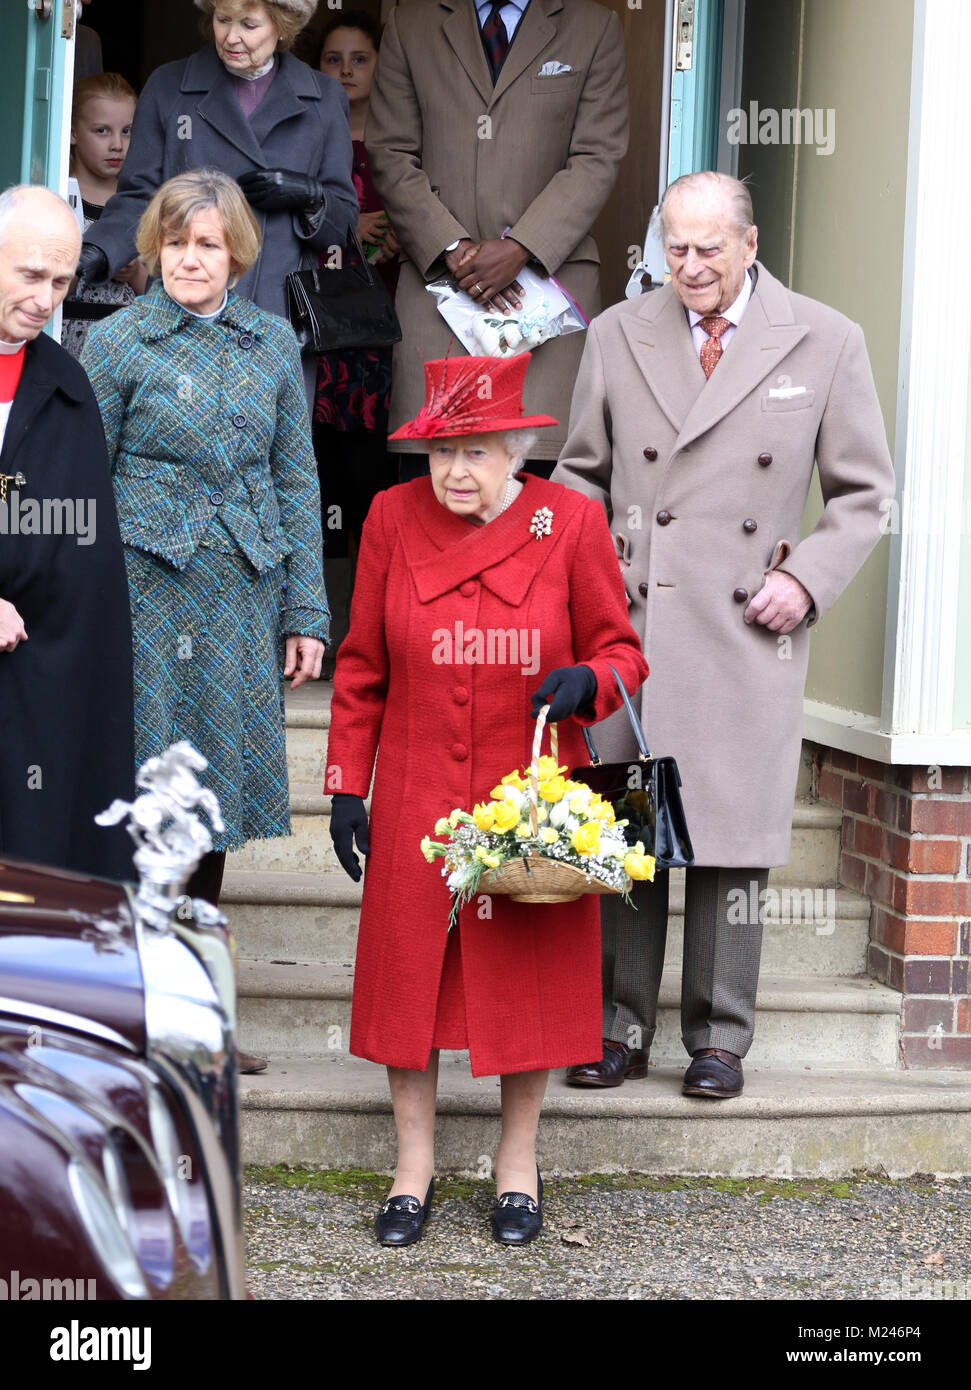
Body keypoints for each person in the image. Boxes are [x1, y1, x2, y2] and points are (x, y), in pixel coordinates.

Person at [553, 171, 896, 1099]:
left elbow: (866, 494)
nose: (690, 265)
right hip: (634, 613)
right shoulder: (617, 334)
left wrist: (804, 580)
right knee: (627, 818)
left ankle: (719, 1036)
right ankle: (613, 1023)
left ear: (750, 244)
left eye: (709, 247)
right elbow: (580, 473)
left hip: (749, 619)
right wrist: (582, 585)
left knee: (732, 834)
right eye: (675, 247)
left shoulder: (824, 338)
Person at [325, 352, 648, 1246]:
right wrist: (348, 785)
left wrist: (589, 679)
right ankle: (412, 1169)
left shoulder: (569, 523)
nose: (455, 473)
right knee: (405, 991)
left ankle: (517, 1166)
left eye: (474, 452)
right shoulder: (391, 517)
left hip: (529, 803)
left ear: (515, 451)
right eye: (439, 453)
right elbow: (359, 667)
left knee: (528, 984)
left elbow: (624, 653)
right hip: (419, 795)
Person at [81, 170, 329, 1070]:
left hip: (241, 595)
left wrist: (307, 608)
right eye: (179, 243)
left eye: (210, 244)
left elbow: (296, 479)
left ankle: (200, 1015)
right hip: (144, 596)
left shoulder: (269, 343)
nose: (193, 259)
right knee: (152, 799)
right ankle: (132, 1015)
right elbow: (83, 484)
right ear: (155, 249)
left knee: (214, 804)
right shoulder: (115, 344)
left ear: (238, 255)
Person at [364, 0, 629, 479]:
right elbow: (390, 150)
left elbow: (597, 155)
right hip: (438, 292)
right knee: (434, 481)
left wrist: (522, 246)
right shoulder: (411, 22)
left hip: (549, 292)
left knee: (539, 485)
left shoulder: (594, 26)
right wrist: (452, 247)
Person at [75, 0, 358, 403]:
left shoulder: (324, 99)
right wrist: (98, 250)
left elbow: (343, 226)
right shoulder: (170, 86)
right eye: (223, 19)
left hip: (275, 322)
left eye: (249, 24)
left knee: (268, 458)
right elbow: (139, 197)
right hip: (181, 313)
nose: (231, 36)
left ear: (283, 26)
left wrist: (310, 197)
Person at [0, 185, 134, 882]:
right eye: (30, 275)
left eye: (60, 280)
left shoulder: (65, 386)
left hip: (29, 687)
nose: (47, 298)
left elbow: (83, 568)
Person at [313, 9, 399, 677]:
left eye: (358, 58)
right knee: (317, 474)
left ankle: (367, 632)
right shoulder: (311, 133)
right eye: (332, 59)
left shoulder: (397, 136)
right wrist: (348, 223)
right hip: (318, 326)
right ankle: (318, 626)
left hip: (381, 328)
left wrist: (393, 228)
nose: (344, 71)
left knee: (372, 479)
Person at [62, 73, 148, 361]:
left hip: (126, 352)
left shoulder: (140, 203)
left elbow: (162, 289)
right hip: (63, 346)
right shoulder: (58, 197)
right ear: (72, 132)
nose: (117, 144)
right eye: (102, 131)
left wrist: (135, 272)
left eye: (127, 131)